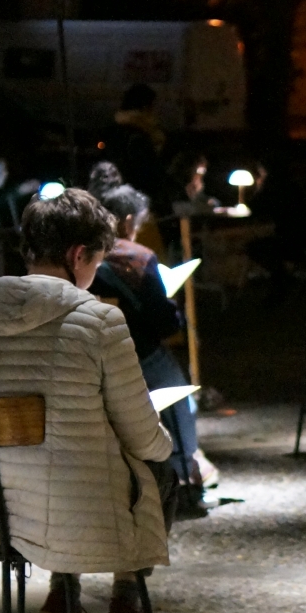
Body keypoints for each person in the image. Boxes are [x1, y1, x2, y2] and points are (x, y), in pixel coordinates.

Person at [0, 189, 174, 613]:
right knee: (159, 469)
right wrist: (163, 444)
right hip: (74, 512)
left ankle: (64, 596)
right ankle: (125, 597)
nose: (92, 276)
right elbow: (143, 435)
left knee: (65, 464)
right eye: (96, 263)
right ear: (77, 254)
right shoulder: (99, 320)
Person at [87, 163, 215, 519]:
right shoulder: (136, 258)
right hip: (137, 355)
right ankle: (184, 472)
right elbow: (163, 324)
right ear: (128, 221)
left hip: (91, 357)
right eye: (140, 224)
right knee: (179, 395)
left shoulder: (81, 257)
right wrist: (172, 308)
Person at [100, 84, 170, 205]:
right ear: (145, 106)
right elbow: (147, 173)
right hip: (135, 202)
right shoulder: (140, 134)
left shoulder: (115, 131)